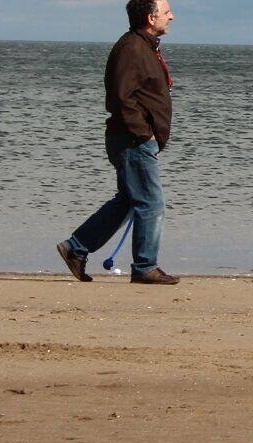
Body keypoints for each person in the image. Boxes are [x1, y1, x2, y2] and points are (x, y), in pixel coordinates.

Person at [56, 0, 180, 285]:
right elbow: (121, 98)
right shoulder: (131, 48)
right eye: (166, 12)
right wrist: (143, 134)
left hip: (136, 140)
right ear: (150, 18)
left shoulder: (144, 46)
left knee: (129, 200)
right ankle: (145, 267)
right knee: (151, 203)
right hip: (132, 140)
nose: (172, 16)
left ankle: (76, 248)